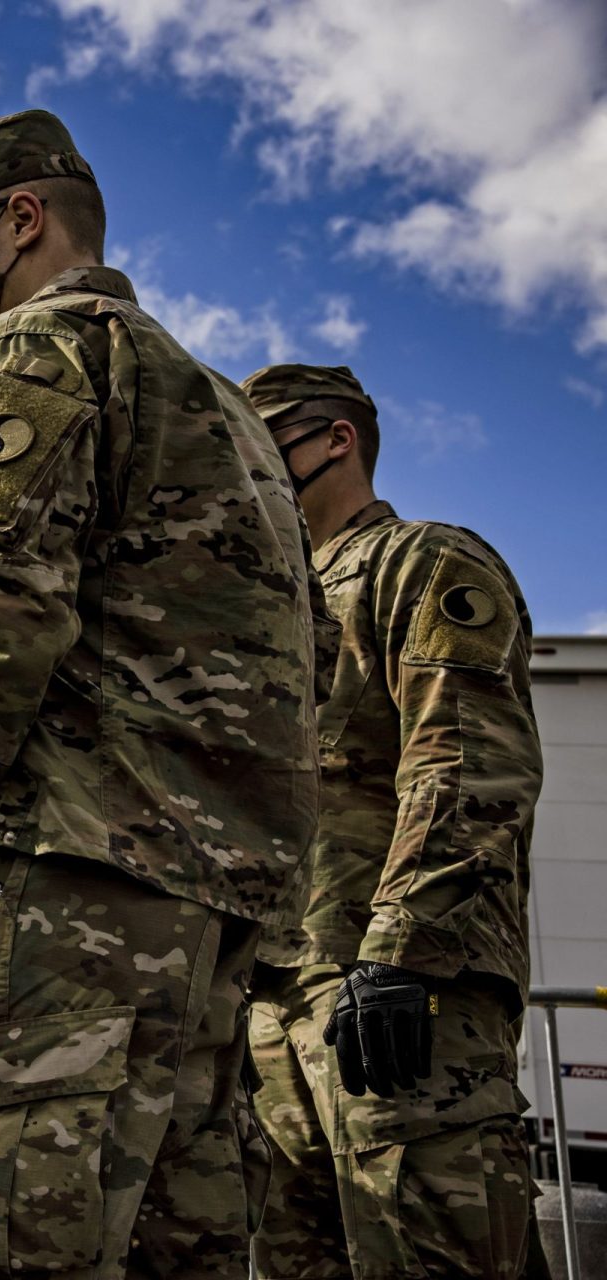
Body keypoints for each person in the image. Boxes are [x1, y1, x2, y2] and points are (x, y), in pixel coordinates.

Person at [0, 109, 320, 1278]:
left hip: (53, 909)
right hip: (208, 935)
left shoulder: (35, 351)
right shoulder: (229, 411)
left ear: (20, 221)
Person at [240, 363, 543, 1279]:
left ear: (336, 441)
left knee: (429, 1248)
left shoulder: (423, 564)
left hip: (402, 991)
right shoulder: (266, 612)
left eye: (265, 451)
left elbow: (468, 760)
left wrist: (400, 951)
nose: (249, 479)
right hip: (281, 997)